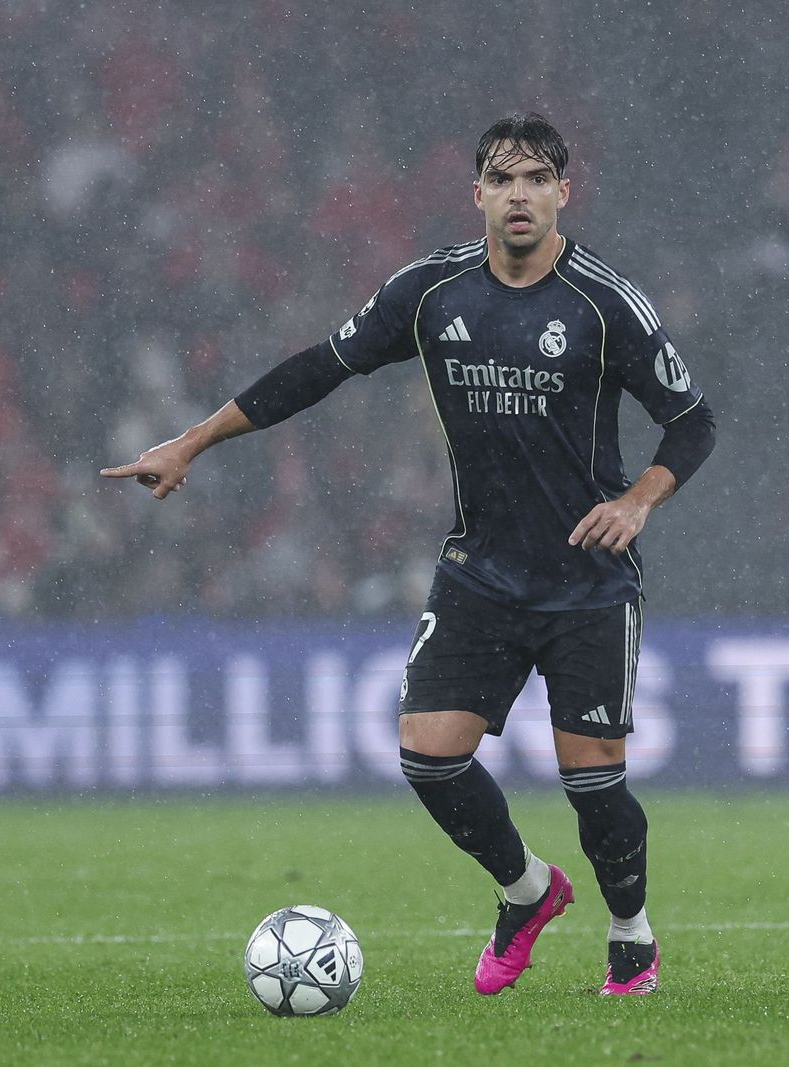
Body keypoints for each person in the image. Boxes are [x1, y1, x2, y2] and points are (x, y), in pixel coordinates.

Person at [102, 113, 715, 997]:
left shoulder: (605, 303)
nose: (518, 195)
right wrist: (191, 442)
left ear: (563, 193)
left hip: (587, 579)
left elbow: (692, 421)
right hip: (481, 572)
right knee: (428, 756)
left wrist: (638, 499)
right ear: (477, 194)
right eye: (501, 179)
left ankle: (632, 935)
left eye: (535, 179)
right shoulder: (431, 292)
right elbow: (319, 367)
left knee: (594, 786)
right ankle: (527, 889)